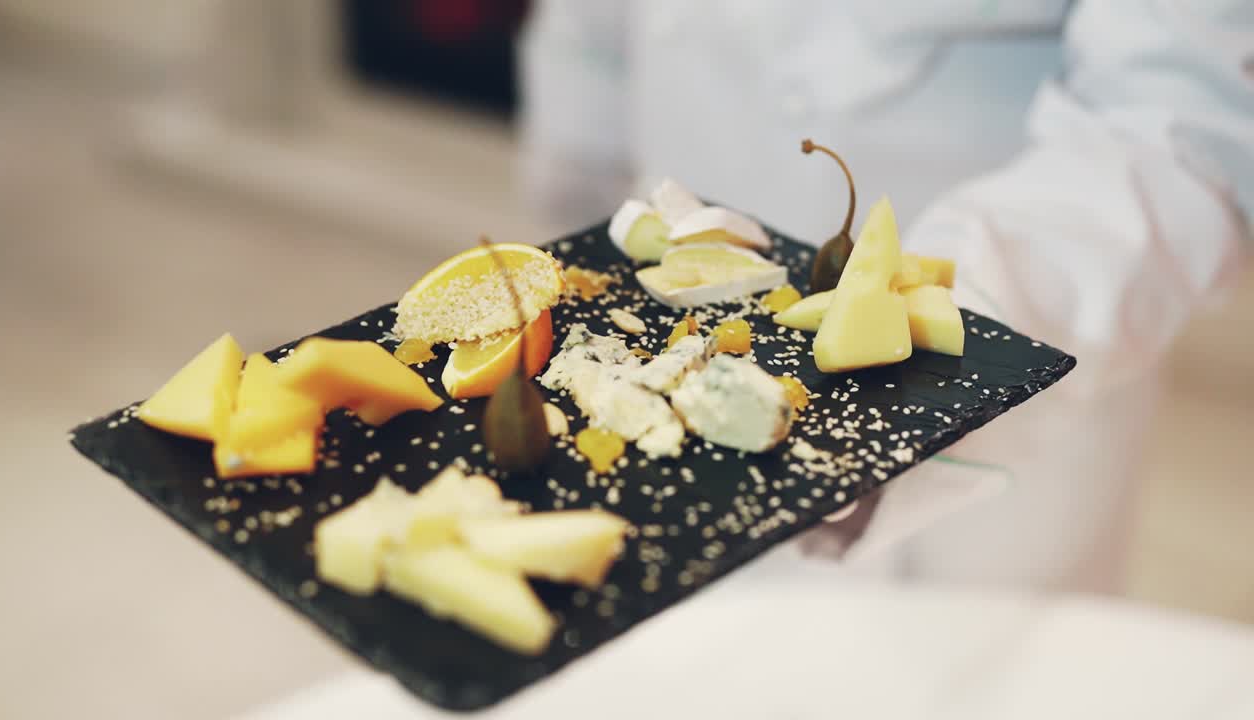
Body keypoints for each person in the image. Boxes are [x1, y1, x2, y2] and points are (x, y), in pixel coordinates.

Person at [514, 0, 1253, 594]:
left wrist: (943, 349)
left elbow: (1185, 128)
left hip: (995, 429)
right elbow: (591, 47)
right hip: (662, 393)